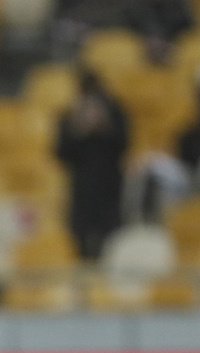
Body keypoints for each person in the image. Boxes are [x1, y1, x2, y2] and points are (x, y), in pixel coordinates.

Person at [56, 69, 129, 260]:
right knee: (80, 240)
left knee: (111, 240)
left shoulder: (114, 111)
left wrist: (105, 125)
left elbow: (123, 144)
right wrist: (80, 129)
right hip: (82, 187)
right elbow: (61, 152)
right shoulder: (71, 114)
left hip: (109, 185)